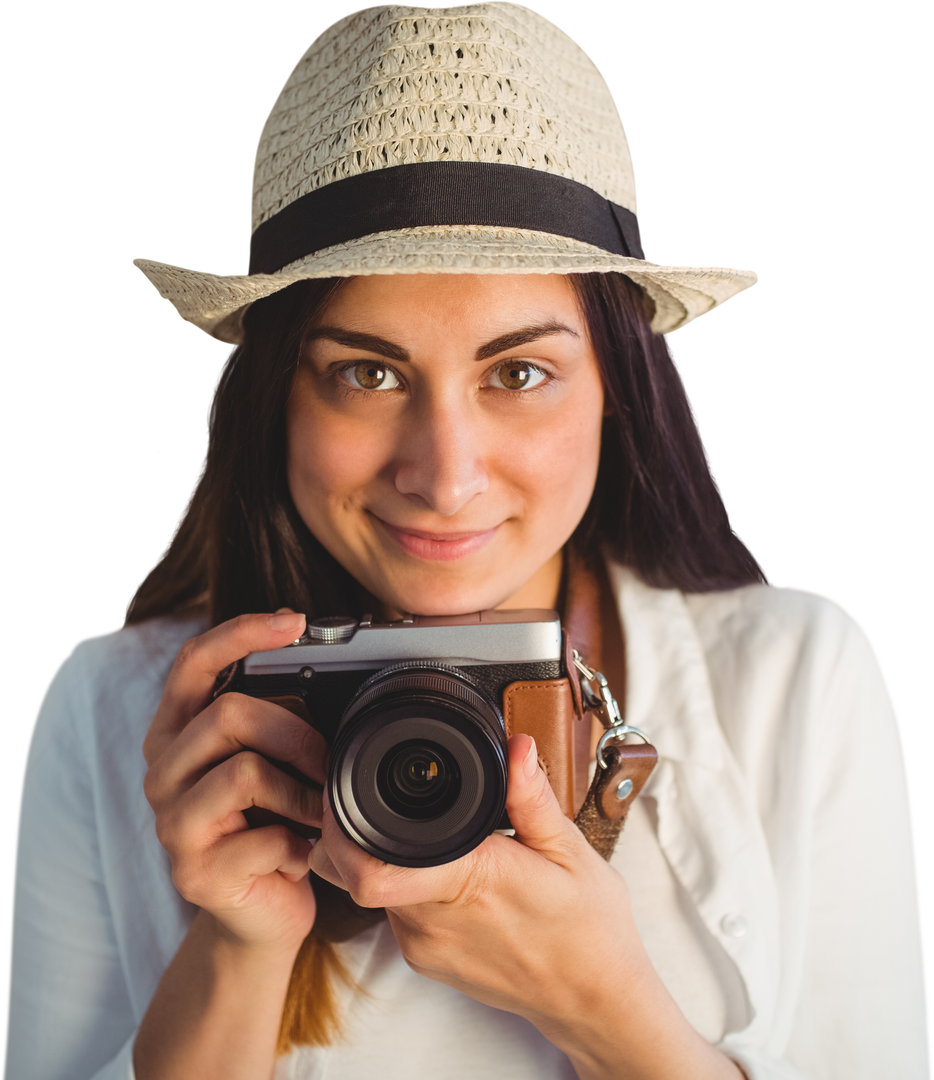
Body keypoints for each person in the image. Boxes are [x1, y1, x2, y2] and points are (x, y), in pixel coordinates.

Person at [5, 4, 927, 1079]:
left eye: (518, 373)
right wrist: (241, 943)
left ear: (616, 395)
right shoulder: (112, 708)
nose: (444, 476)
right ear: (277, 403)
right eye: (368, 372)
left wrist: (608, 1011)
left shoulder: (795, 678)